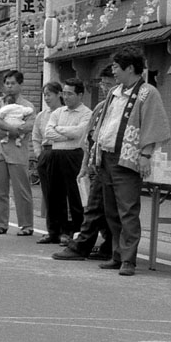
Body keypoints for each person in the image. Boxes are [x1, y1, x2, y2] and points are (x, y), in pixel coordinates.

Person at [84, 47, 169, 275]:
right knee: (111, 210)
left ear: (130, 68)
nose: (113, 71)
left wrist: (145, 154)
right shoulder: (114, 91)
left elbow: (154, 125)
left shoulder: (147, 92)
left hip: (127, 157)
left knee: (128, 210)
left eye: (115, 66)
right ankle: (117, 254)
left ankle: (128, 260)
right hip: (107, 156)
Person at [52, 66, 118, 262]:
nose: (105, 87)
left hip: (114, 164)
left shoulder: (121, 107)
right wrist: (84, 166)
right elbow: (89, 139)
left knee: (107, 209)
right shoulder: (100, 107)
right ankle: (85, 245)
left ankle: (104, 246)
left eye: (109, 83)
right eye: (103, 83)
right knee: (95, 207)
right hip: (96, 164)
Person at [37, 78, 92, 246]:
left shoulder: (87, 113)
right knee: (53, 195)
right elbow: (48, 133)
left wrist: (59, 130)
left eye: (70, 93)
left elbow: (80, 133)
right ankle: (54, 231)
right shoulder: (57, 113)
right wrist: (65, 133)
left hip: (74, 155)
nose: (66, 97)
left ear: (80, 95)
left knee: (74, 196)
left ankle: (74, 232)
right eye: (64, 93)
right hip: (55, 154)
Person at [0, 70, 36, 236]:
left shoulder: (27, 105)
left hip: (18, 151)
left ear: (20, 85)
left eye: (13, 83)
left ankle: (26, 225)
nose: (9, 87)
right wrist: (13, 129)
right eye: (7, 83)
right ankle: (2, 224)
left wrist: (12, 130)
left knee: (21, 190)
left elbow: (29, 125)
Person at [32, 82, 65, 225]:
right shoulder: (41, 115)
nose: (46, 98)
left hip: (62, 152)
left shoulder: (66, 112)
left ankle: (65, 228)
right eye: (44, 95)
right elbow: (36, 137)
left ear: (59, 94)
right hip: (46, 153)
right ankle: (52, 229)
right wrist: (39, 154)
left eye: (49, 94)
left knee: (62, 193)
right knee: (48, 193)